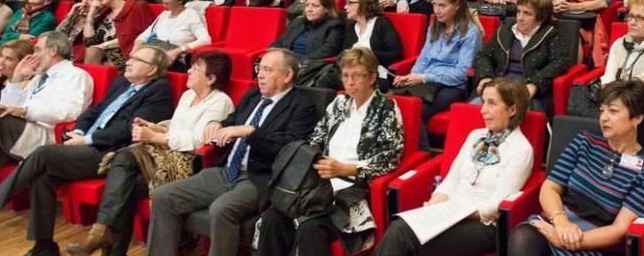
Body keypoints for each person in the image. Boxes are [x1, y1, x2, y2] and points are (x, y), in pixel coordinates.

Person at [0, 45, 172, 255]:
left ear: (151, 70)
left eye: (137, 59)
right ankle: (44, 246)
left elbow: (129, 130)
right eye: (130, 56)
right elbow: (94, 111)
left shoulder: (159, 90)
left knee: (43, 154)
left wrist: (86, 139)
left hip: (111, 153)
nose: (128, 61)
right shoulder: (122, 83)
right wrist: (78, 131)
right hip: (84, 143)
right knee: (43, 176)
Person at [146, 48, 317, 256]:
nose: (260, 75)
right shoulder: (253, 95)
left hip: (260, 179)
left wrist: (250, 132)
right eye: (259, 68)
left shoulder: (302, 105)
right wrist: (216, 123)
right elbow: (231, 123)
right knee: (164, 195)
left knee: (221, 209)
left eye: (267, 70)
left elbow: (290, 147)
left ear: (288, 75)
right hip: (225, 170)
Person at [65, 51, 235, 256]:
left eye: (196, 70)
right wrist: (154, 127)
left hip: (188, 162)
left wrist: (154, 137)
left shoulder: (220, 102)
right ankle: (106, 240)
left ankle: (100, 234)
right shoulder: (189, 95)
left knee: (124, 159)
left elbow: (198, 140)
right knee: (124, 188)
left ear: (211, 79)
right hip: (165, 155)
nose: (188, 71)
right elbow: (176, 126)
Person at [258, 47, 404, 255]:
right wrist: (314, 161)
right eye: (345, 76)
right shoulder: (338, 103)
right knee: (273, 217)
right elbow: (315, 139)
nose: (350, 82)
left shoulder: (386, 108)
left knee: (311, 227)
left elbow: (390, 157)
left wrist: (346, 169)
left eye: (356, 76)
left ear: (372, 77)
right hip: (319, 184)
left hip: (352, 189)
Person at [508, 80, 644, 256]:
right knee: (522, 238)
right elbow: (550, 187)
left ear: (637, 117)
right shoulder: (585, 142)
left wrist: (569, 240)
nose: (604, 117)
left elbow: (620, 229)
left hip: (595, 245)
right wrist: (560, 221)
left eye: (613, 111)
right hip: (556, 224)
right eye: (602, 110)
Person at [377, 78, 531, 256]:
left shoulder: (521, 149)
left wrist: (457, 211)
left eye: (492, 103)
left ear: (512, 109)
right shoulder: (476, 136)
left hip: (482, 224)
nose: (483, 110)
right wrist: (437, 200)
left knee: (405, 236)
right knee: (400, 228)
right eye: (483, 102)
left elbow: (495, 205)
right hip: (450, 211)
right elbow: (452, 178)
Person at [0, 32, 93, 245]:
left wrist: (26, 111)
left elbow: (71, 112)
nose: (33, 54)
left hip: (43, 138)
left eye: (37, 49)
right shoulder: (38, 77)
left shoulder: (75, 75)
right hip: (17, 135)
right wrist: (17, 79)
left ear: (53, 50)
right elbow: (7, 108)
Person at [392, 0, 482, 145]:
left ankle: (420, 154)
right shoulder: (434, 27)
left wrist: (424, 77)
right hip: (426, 80)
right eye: (434, 5)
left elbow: (461, 73)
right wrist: (411, 76)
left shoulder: (470, 32)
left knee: (415, 110)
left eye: (442, 5)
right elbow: (424, 58)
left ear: (456, 5)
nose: (437, 10)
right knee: (393, 101)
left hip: (452, 86)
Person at [475, 0, 574, 112]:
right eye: (518, 11)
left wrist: (535, 84)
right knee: (472, 109)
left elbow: (560, 63)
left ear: (540, 18)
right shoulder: (505, 30)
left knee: (506, 111)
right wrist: (485, 77)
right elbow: (484, 55)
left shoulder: (550, 35)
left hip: (528, 92)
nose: (520, 18)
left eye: (527, 13)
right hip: (499, 87)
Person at [134, 0, 210, 71]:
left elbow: (206, 39)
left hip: (176, 61)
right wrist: (136, 47)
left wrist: (178, 50)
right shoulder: (164, 15)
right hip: (157, 57)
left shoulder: (191, 15)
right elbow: (143, 37)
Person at [82, 0, 155, 69]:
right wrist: (90, 14)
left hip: (125, 54)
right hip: (99, 54)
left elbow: (149, 35)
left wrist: (103, 46)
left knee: (94, 53)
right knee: (91, 51)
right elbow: (88, 42)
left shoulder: (138, 7)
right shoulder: (103, 11)